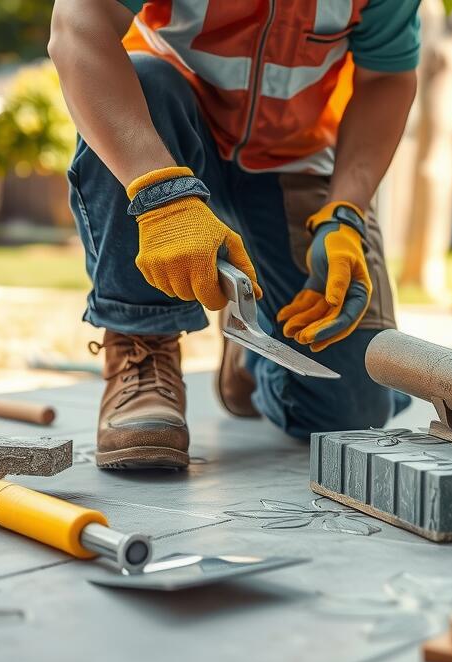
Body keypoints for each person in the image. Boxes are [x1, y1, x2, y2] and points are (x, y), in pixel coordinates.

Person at [48, 0, 419, 469]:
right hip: (165, 143)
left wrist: (345, 211)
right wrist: (162, 195)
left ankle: (251, 345)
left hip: (294, 162)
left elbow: (386, 79)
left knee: (353, 410)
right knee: (142, 80)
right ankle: (141, 348)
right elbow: (79, 27)